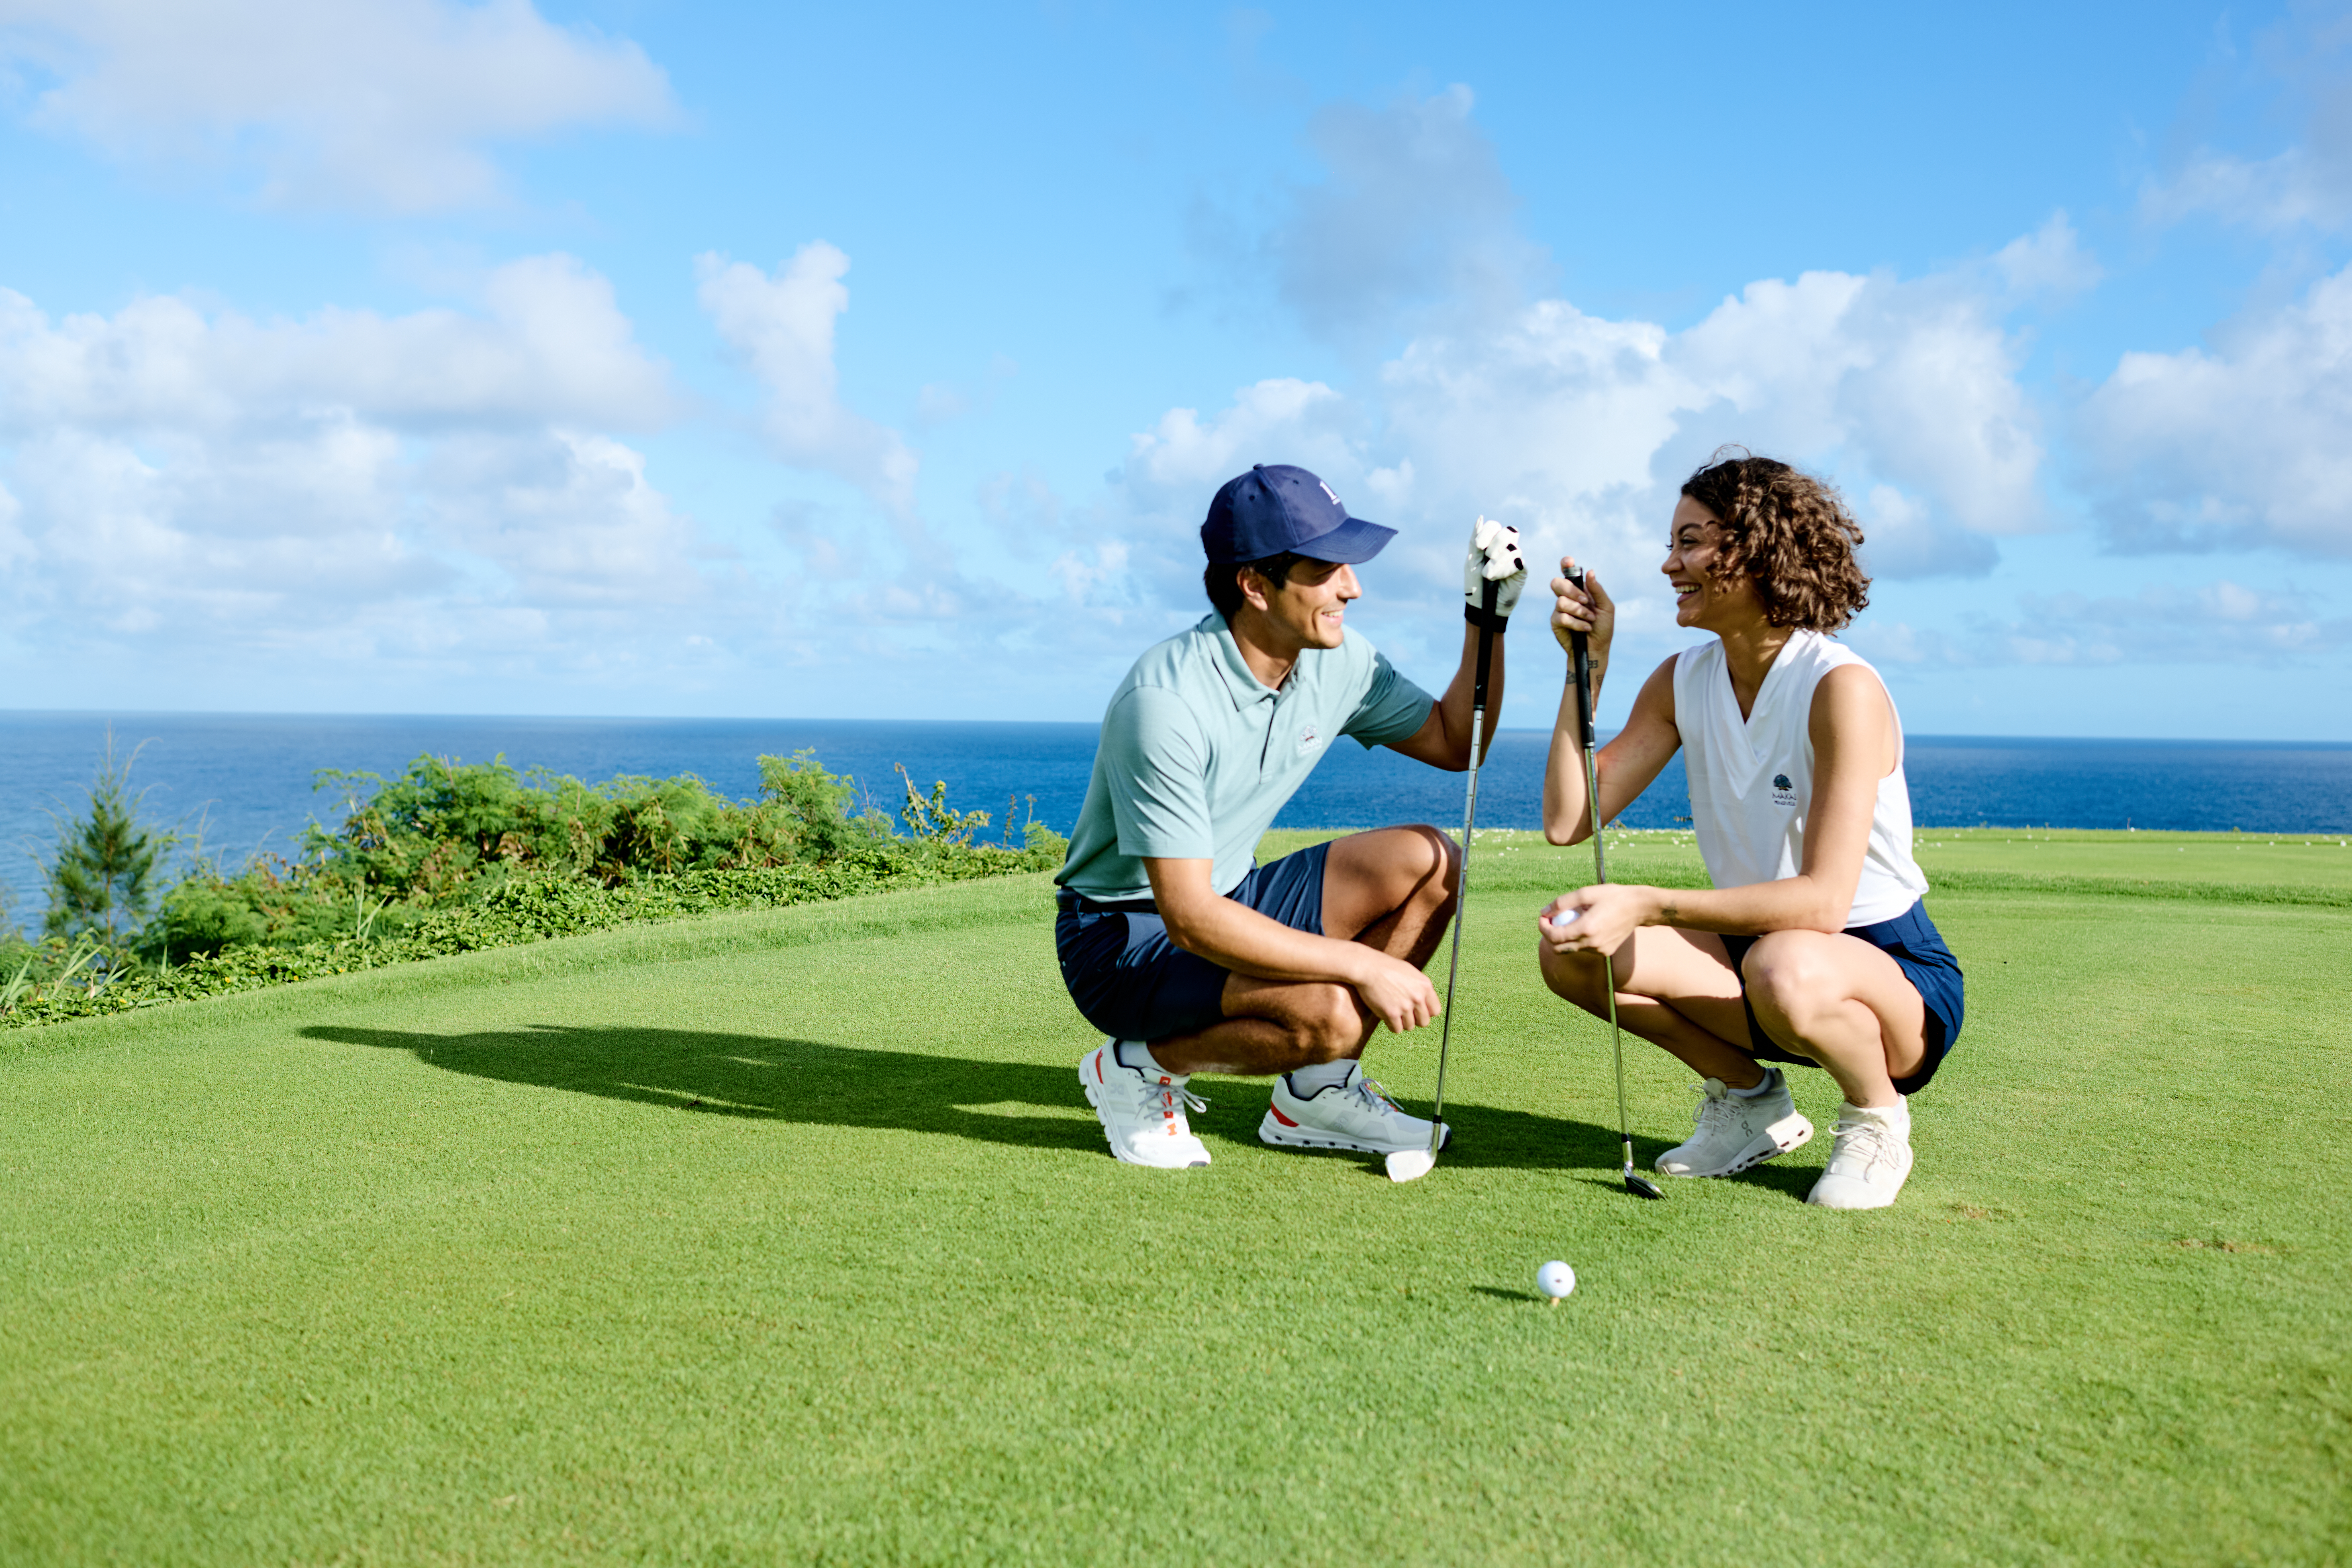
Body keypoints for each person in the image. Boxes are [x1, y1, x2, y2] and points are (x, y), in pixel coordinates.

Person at [1056, 463, 1528, 1169]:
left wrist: (1485, 621)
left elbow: (1456, 742)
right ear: (1255, 585)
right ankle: (1134, 1069)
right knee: (1332, 1013)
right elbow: (1186, 916)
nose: (1352, 586)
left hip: (1231, 895)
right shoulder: (1166, 702)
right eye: (1328, 569)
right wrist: (1361, 966)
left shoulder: (1337, 661)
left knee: (1432, 861)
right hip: (1124, 936)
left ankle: (1315, 1095)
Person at [1534, 450, 1964, 1210]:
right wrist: (1586, 669)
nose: (1670, 564)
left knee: (1787, 965)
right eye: (1674, 544)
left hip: (1886, 971)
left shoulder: (1841, 687)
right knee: (1572, 946)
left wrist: (1648, 902)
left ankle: (1876, 1118)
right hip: (1761, 956)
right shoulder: (1681, 680)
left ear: (1758, 550)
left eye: (1691, 541)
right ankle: (1751, 1104)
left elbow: (1824, 905)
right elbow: (1571, 820)